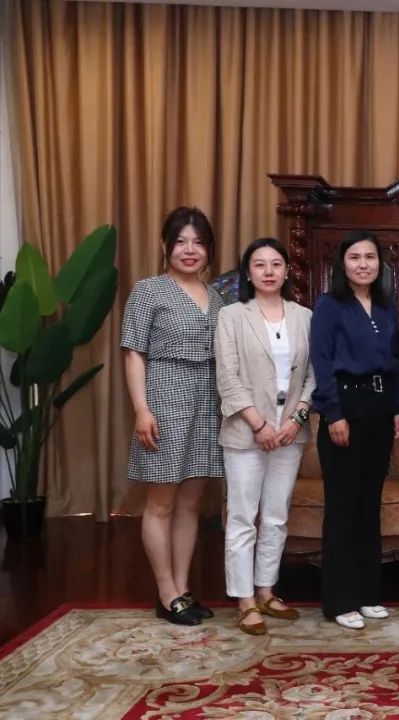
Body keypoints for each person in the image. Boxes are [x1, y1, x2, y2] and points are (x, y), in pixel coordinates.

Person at [122, 206, 225, 626]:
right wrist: (141, 409)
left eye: (198, 242)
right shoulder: (148, 290)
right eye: (180, 241)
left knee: (191, 501)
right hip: (164, 396)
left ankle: (182, 589)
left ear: (209, 249)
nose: (189, 249)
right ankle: (165, 593)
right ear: (166, 246)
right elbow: (134, 352)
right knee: (161, 502)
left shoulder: (217, 298)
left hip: (208, 401)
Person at [216, 237, 315, 636]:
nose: (269, 271)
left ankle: (266, 592)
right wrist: (259, 424)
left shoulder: (305, 317)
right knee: (243, 517)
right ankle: (243, 600)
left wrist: (296, 419)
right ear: (248, 272)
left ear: (287, 270)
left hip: (290, 433)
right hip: (246, 432)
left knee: (276, 515)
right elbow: (227, 376)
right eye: (260, 264)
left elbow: (314, 376)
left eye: (276, 264)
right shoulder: (232, 316)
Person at [310, 231, 399, 630]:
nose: (363, 264)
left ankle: (367, 594)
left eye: (370, 257)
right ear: (342, 263)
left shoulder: (385, 306)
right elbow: (321, 363)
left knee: (369, 506)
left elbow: (394, 361)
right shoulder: (329, 306)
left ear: (379, 264)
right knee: (343, 507)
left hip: (380, 411)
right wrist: (333, 414)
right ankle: (340, 599)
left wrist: (397, 407)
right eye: (355, 257)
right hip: (344, 410)